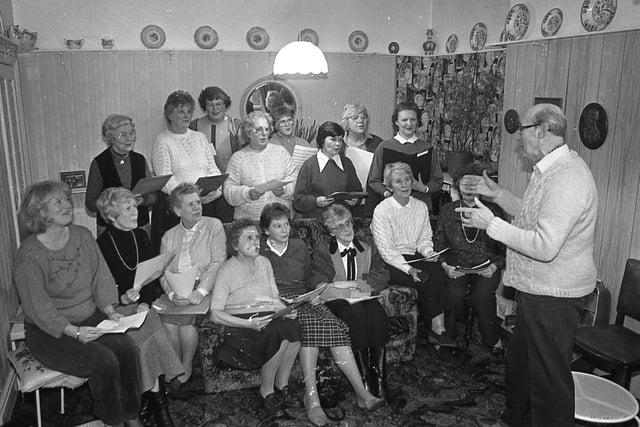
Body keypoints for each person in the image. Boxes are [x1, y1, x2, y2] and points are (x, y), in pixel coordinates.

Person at [457, 103, 598, 427]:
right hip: (537, 289)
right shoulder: (548, 169)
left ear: (542, 131)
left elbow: (545, 245)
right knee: (520, 367)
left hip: (555, 294)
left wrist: (491, 224)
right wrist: (501, 196)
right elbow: (534, 216)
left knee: (548, 382)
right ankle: (515, 420)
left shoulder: (568, 178)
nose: (518, 138)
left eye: (521, 130)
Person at [14, 181, 142, 427]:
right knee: (104, 361)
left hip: (90, 318)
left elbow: (100, 278)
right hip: (49, 333)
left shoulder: (82, 236)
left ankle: (132, 416)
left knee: (127, 349)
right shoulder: (29, 255)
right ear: (40, 211)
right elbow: (39, 309)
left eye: (66, 199)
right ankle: (113, 422)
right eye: (58, 202)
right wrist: (74, 332)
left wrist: (109, 311)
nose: (67, 205)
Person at [259, 203, 384, 425]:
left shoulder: (298, 246)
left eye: (287, 224)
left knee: (336, 325)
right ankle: (312, 398)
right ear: (266, 230)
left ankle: (362, 393)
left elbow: (310, 276)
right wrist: (278, 302)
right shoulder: (259, 250)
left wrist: (315, 292)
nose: (285, 229)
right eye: (277, 226)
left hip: (303, 297)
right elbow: (256, 283)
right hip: (277, 301)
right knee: (309, 327)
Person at [96, 187, 183, 427]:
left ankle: (154, 405)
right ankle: (158, 409)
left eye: (135, 206)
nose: (135, 212)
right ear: (112, 215)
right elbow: (101, 289)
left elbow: (151, 275)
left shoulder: (141, 236)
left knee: (156, 334)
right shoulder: (101, 245)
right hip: (116, 310)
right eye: (128, 208)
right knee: (145, 343)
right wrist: (123, 299)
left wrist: (144, 302)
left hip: (142, 307)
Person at [211, 219, 301, 418]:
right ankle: (266, 390)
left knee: (294, 325)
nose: (255, 242)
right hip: (241, 325)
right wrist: (248, 324)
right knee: (276, 332)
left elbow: (274, 298)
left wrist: (286, 310)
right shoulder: (226, 271)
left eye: (257, 237)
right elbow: (215, 314)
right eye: (248, 238)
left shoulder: (264, 262)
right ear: (235, 245)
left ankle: (282, 383)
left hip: (267, 317)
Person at [370, 162, 455, 348]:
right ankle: (438, 331)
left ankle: (438, 330)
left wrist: (429, 252)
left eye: (407, 179)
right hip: (391, 262)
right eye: (398, 181)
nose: (405, 185)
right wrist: (409, 269)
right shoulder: (382, 210)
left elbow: (424, 238)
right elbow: (387, 250)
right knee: (424, 278)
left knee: (438, 271)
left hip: (415, 255)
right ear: (389, 186)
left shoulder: (421, 206)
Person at [311, 204, 391, 401]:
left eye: (348, 223)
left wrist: (359, 286)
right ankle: (364, 378)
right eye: (339, 227)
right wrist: (344, 291)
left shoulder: (366, 245)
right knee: (356, 314)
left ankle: (379, 377)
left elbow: (382, 273)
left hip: (361, 296)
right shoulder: (324, 250)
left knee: (376, 311)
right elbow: (317, 281)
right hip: (337, 299)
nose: (347, 229)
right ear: (331, 231)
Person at [433, 162, 505, 355]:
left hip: (486, 267)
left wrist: (495, 266)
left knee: (481, 296)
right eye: (465, 183)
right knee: (453, 295)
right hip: (456, 266)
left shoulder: (495, 212)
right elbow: (438, 243)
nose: (469, 188)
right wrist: (445, 265)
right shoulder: (448, 211)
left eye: (474, 184)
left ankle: (492, 340)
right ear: (457, 186)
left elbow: (505, 249)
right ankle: (450, 338)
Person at [159, 183, 226, 389]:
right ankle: (176, 364)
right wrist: (171, 295)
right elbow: (163, 272)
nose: (197, 207)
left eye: (198, 202)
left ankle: (185, 366)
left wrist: (201, 290)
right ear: (178, 210)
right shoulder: (168, 236)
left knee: (185, 323)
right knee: (168, 324)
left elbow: (218, 262)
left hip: (209, 284)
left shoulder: (214, 225)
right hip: (179, 288)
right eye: (190, 205)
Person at [151, 90, 223, 251]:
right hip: (177, 209)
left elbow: (213, 169)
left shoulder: (200, 137)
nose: (186, 115)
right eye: (180, 111)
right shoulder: (162, 140)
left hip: (204, 204)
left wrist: (216, 190)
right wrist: (189, 199)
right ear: (169, 114)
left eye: (189, 111)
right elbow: (165, 178)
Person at [366, 101, 443, 215]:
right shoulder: (384, 147)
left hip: (420, 208)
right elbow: (374, 180)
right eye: (404, 120)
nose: (409, 124)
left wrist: (424, 188)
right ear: (396, 122)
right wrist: (388, 194)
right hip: (391, 209)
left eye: (413, 120)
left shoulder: (427, 148)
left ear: (417, 122)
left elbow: (437, 180)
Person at [86, 114, 156, 237]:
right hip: (110, 230)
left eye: (132, 133)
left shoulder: (140, 159)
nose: (129, 138)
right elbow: (90, 202)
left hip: (140, 226)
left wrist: (143, 200)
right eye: (123, 135)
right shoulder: (100, 163)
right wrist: (114, 205)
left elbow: (153, 196)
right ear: (110, 138)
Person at [224, 111, 297, 221]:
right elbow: (228, 191)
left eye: (267, 129)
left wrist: (284, 190)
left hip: (281, 221)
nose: (264, 133)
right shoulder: (238, 158)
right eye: (258, 130)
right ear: (248, 133)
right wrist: (248, 193)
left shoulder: (281, 152)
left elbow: (295, 180)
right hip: (250, 223)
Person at [189, 86, 241, 222]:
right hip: (203, 187)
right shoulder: (194, 125)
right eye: (210, 105)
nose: (215, 108)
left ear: (225, 105)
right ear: (204, 107)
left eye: (219, 104)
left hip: (228, 183)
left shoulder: (236, 125)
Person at [293, 121, 362, 218]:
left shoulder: (347, 163)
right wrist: (316, 202)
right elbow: (298, 200)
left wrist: (355, 200)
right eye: (333, 140)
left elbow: (357, 191)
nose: (337, 144)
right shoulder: (309, 165)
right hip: (316, 223)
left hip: (342, 222)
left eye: (340, 140)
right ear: (322, 140)